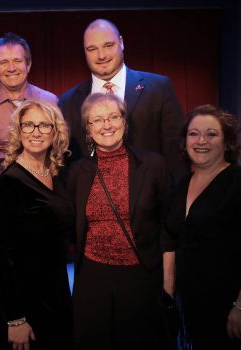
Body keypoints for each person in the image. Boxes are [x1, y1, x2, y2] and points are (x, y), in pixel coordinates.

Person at [166, 104, 241, 349]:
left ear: (227, 142)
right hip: (194, 306)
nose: (201, 141)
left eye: (211, 134)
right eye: (193, 133)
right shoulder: (183, 183)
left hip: (234, 308)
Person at [67, 93, 175, 350]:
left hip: (140, 275)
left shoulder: (153, 165)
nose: (107, 125)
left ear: (125, 123)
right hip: (92, 277)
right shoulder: (77, 172)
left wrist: (168, 284)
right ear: (88, 128)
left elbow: (169, 228)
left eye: (114, 116)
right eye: (98, 120)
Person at [0, 100, 73, 349]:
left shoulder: (55, 174)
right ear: (19, 131)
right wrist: (15, 319)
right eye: (29, 125)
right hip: (23, 301)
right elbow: (0, 254)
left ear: (55, 132)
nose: (36, 132)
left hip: (54, 290)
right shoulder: (10, 182)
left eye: (44, 125)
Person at [59, 18, 187, 181]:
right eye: (92, 49)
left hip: (152, 199)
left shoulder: (159, 88)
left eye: (108, 45)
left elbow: (176, 152)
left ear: (121, 42)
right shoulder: (68, 101)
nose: (101, 55)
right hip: (92, 200)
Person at [0, 32, 58, 187]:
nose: (11, 68)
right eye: (4, 62)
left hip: (44, 191)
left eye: (17, 61)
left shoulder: (51, 102)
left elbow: (61, 147)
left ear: (28, 64)